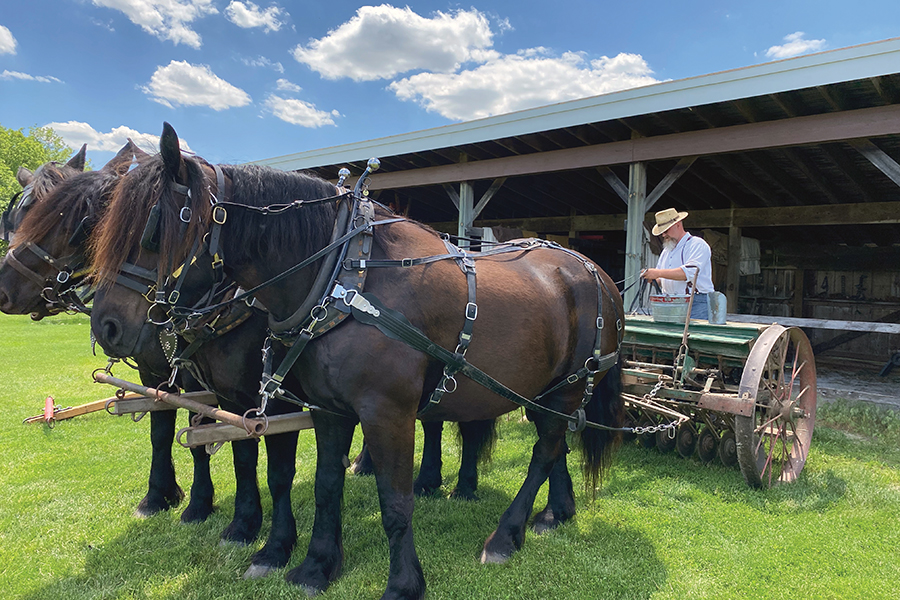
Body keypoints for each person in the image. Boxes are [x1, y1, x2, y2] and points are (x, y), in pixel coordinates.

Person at [641, 207, 715, 319]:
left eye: (666, 230)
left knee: (694, 336)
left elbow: (689, 274)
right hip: (670, 303)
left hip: (696, 303)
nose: (663, 235)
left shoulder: (697, 245)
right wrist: (652, 278)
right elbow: (661, 279)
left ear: (678, 224)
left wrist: (657, 273)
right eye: (662, 232)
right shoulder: (666, 251)